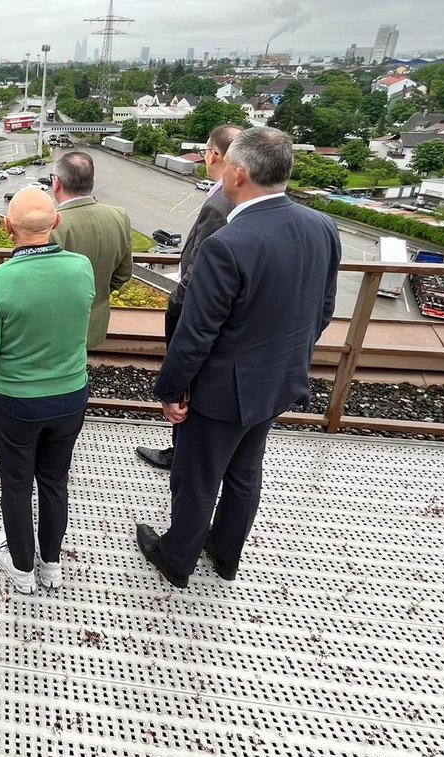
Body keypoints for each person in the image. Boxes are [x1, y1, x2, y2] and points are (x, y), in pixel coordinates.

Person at [136, 128, 340, 588]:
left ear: (240, 174)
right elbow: (323, 310)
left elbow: (196, 333)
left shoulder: (228, 243)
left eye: (227, 164)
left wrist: (171, 391)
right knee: (245, 473)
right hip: (277, 382)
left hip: (221, 393)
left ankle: (177, 558)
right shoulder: (322, 226)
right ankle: (226, 555)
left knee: (196, 479)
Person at [0, 188, 95, 595]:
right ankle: (52, 564)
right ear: (56, 223)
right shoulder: (81, 268)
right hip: (71, 394)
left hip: (17, 402)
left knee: (17, 484)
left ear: (8, 228)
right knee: (55, 481)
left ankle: (22, 569)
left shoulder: (0, 281)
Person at [135, 124, 243, 471]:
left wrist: (176, 308)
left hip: (196, 310)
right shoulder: (231, 197)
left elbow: (197, 267)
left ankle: (182, 453)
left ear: (215, 155)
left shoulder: (221, 202)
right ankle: (181, 449)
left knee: (188, 381)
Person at [50, 152, 132, 349]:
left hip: (55, 329)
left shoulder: (52, 226)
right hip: (95, 324)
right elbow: (123, 274)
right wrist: (99, 293)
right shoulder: (119, 217)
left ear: (56, 183)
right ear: (92, 181)